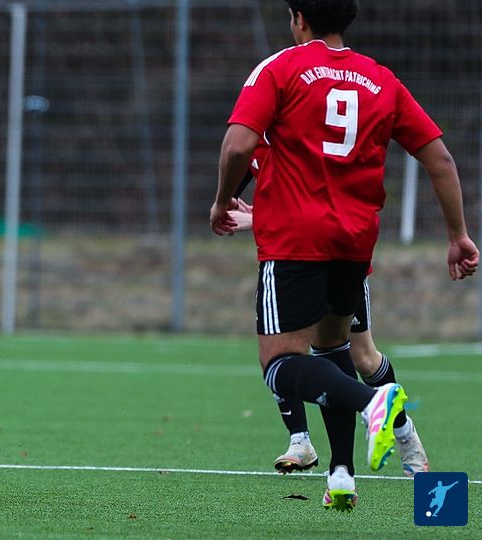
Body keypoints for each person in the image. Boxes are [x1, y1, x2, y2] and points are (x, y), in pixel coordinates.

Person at [210, 0, 478, 512]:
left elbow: (238, 147)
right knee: (334, 351)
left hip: (295, 243)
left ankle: (372, 402)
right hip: (354, 244)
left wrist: (222, 201)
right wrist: (458, 235)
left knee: (279, 364)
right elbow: (440, 158)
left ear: (298, 17)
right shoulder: (381, 79)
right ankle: (342, 475)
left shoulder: (282, 68)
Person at [228, 195, 428, 478]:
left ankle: (401, 430)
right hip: (289, 258)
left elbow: (322, 199)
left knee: (362, 357)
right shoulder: (263, 163)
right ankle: (307, 444)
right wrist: (237, 205)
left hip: (337, 256)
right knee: (284, 348)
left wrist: (257, 217)